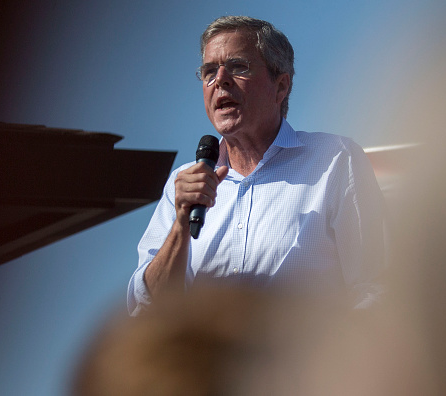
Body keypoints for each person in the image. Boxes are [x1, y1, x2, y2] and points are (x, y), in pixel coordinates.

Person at [127, 16, 386, 316]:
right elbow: (145, 310)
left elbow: (376, 287)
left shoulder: (336, 159)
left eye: (238, 67)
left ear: (281, 87)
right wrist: (181, 225)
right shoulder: (185, 184)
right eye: (209, 71)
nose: (220, 80)